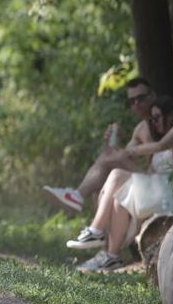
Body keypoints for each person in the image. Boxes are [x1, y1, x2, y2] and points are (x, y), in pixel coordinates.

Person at [68, 96, 173, 272]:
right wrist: (115, 148)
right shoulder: (158, 137)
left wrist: (127, 151)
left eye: (156, 118)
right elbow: (145, 164)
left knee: (116, 175)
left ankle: (96, 230)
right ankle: (112, 257)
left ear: (170, 116)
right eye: (151, 119)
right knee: (119, 197)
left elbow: (159, 146)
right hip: (159, 191)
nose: (153, 123)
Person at [43, 77, 162, 214]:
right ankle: (98, 231)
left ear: (152, 95)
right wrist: (111, 144)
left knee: (109, 162)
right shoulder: (140, 128)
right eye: (132, 101)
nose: (137, 104)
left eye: (141, 98)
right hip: (148, 178)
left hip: (160, 183)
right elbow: (125, 157)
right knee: (101, 181)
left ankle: (78, 196)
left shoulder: (167, 118)